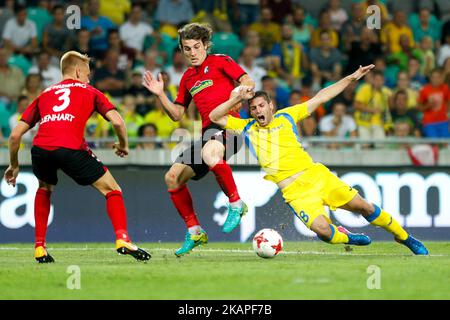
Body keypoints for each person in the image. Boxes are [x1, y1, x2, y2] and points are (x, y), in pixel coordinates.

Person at [209, 65, 428, 255]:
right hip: (295, 192)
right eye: (254, 108)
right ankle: (347, 237)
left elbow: (322, 96)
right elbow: (214, 117)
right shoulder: (246, 127)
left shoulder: (287, 116)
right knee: (324, 233)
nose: (258, 111)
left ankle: (405, 238)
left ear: (271, 106)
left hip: (317, 176)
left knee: (364, 207)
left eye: (261, 106)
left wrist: (351, 78)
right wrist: (238, 97)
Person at [3, 51, 150, 263]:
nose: (89, 78)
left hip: (41, 149)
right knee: (113, 190)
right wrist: (123, 145)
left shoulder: (44, 94)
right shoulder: (91, 91)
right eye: (88, 74)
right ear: (78, 71)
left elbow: (15, 135)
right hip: (71, 149)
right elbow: (117, 122)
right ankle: (123, 239)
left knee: (44, 188)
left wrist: (14, 165)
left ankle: (39, 248)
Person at [143, 23, 255, 256]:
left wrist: (241, 92)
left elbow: (248, 81)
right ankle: (195, 231)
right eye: (187, 48)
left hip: (229, 127)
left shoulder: (221, 61)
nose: (192, 52)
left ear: (205, 45)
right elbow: (176, 114)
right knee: (172, 178)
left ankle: (236, 203)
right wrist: (160, 94)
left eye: (196, 47)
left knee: (209, 153)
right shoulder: (186, 78)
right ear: (182, 51)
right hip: (208, 135)